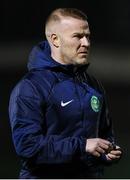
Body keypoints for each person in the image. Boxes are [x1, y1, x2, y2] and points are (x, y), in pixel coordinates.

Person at [8, 8, 122, 179]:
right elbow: (27, 146)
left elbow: (104, 134)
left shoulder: (93, 85)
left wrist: (108, 150)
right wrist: (82, 146)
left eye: (88, 36)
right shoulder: (31, 87)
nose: (86, 43)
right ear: (55, 39)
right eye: (78, 36)